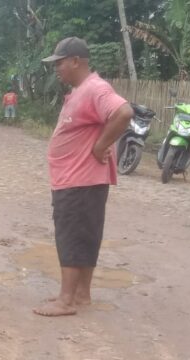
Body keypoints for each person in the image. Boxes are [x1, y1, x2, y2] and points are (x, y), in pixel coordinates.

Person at [33, 37, 133, 317]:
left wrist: (101, 146)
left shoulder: (94, 88)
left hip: (79, 180)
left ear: (75, 61)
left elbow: (124, 112)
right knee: (85, 236)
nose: (57, 69)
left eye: (60, 63)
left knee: (71, 236)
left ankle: (66, 300)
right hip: (83, 180)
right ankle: (81, 295)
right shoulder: (82, 90)